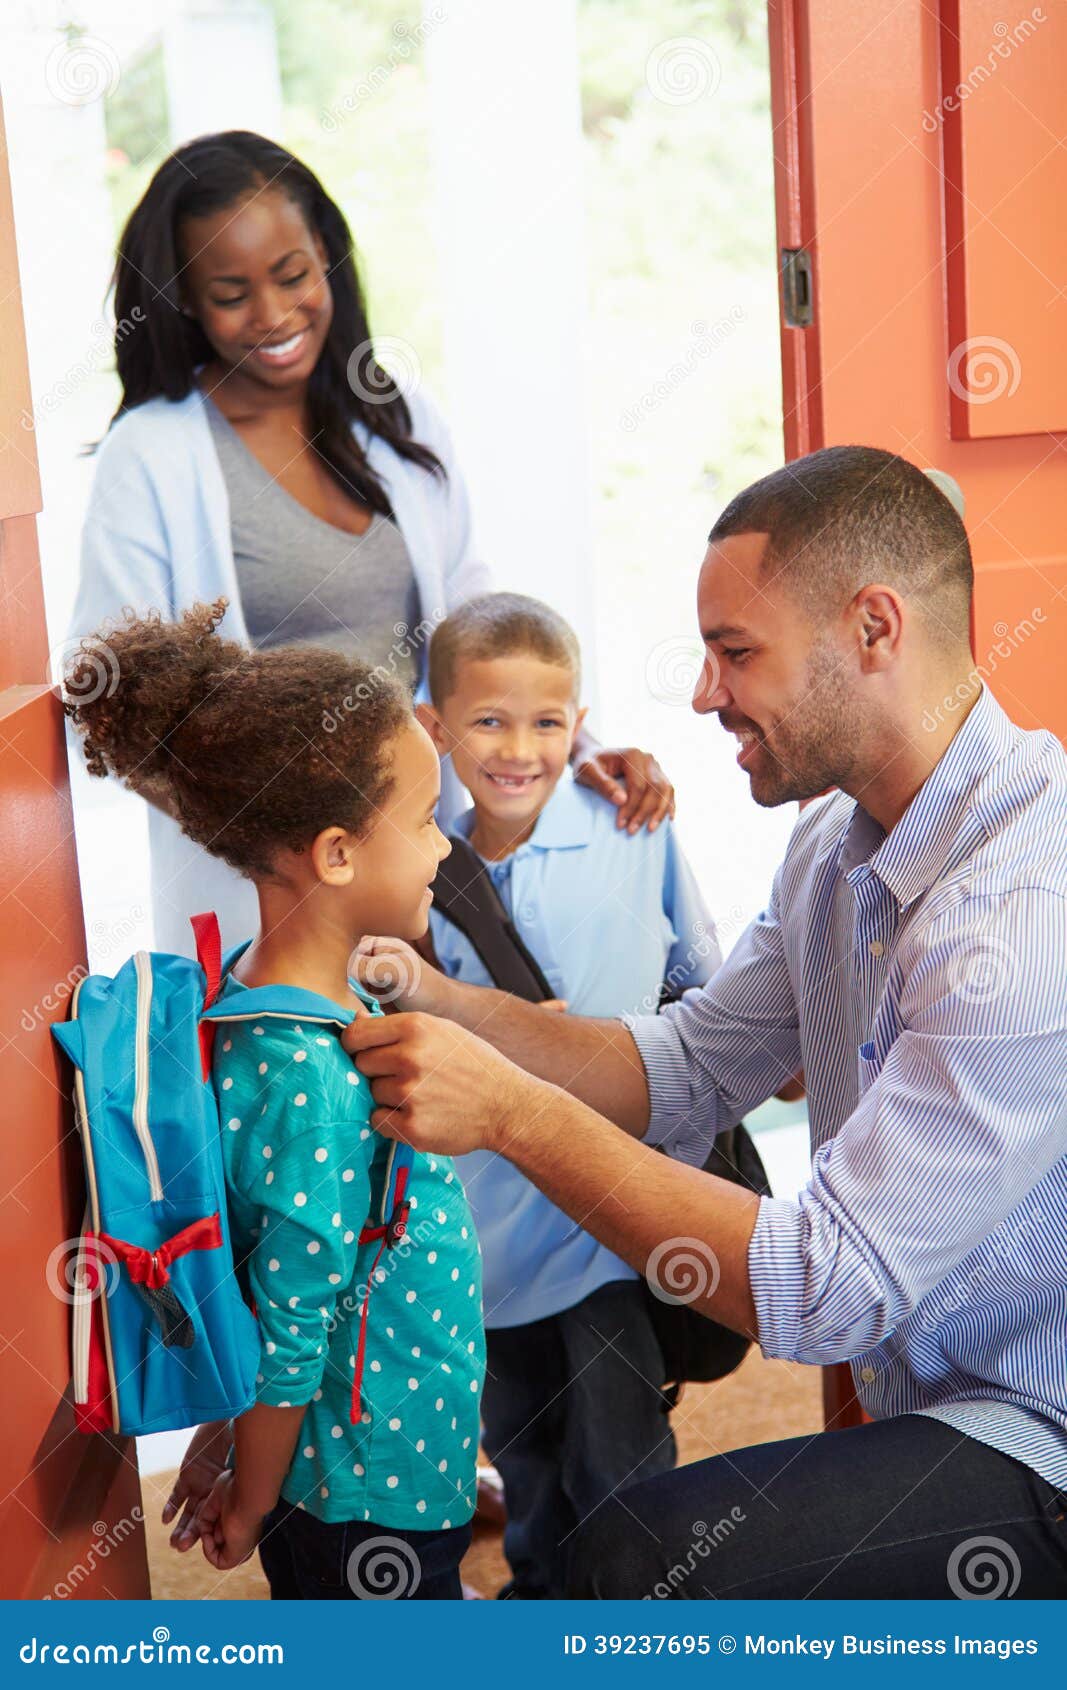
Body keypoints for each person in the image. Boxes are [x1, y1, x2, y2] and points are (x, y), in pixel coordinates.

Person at [344, 446, 1067, 1599]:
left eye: (734, 653)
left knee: (642, 1563)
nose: (701, 693)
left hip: (1042, 1432)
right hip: (932, 1399)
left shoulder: (1019, 921)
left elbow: (822, 1285)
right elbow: (680, 1068)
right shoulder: (832, 847)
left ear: (872, 630)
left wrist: (509, 1114)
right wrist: (444, 1006)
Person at [66, 129, 674, 957]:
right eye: (231, 292)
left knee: (480, 1063)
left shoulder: (397, 417)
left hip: (418, 874)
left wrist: (577, 749)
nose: (275, 315)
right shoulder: (153, 455)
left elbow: (472, 625)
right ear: (183, 300)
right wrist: (286, 856)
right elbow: (111, 706)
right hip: (275, 902)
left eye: (293, 276)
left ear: (328, 259)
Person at [64, 597, 485, 1599]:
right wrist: (253, 1500)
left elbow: (268, 1274)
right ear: (334, 855)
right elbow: (291, 1326)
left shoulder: (265, 1006)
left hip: (379, 1442)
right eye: (425, 822)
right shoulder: (313, 1080)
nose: (443, 849)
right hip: (363, 1488)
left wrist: (223, 1436)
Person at [410, 591, 719, 1598]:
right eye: (488, 720)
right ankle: (544, 1604)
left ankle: (639, 1621)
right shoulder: (412, 864)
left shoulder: (631, 825)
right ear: (435, 727)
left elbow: (700, 983)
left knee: (621, 1458)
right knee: (523, 1447)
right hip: (480, 1231)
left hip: (606, 1217)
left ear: (579, 724)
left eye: (548, 721)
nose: (519, 748)